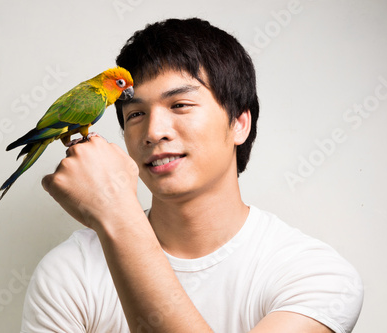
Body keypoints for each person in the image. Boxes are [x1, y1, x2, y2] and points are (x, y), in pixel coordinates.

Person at [20, 18, 363, 333]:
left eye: (180, 105)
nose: (154, 132)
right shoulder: (69, 273)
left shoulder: (316, 275)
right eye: (136, 113)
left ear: (239, 123)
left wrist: (116, 214)